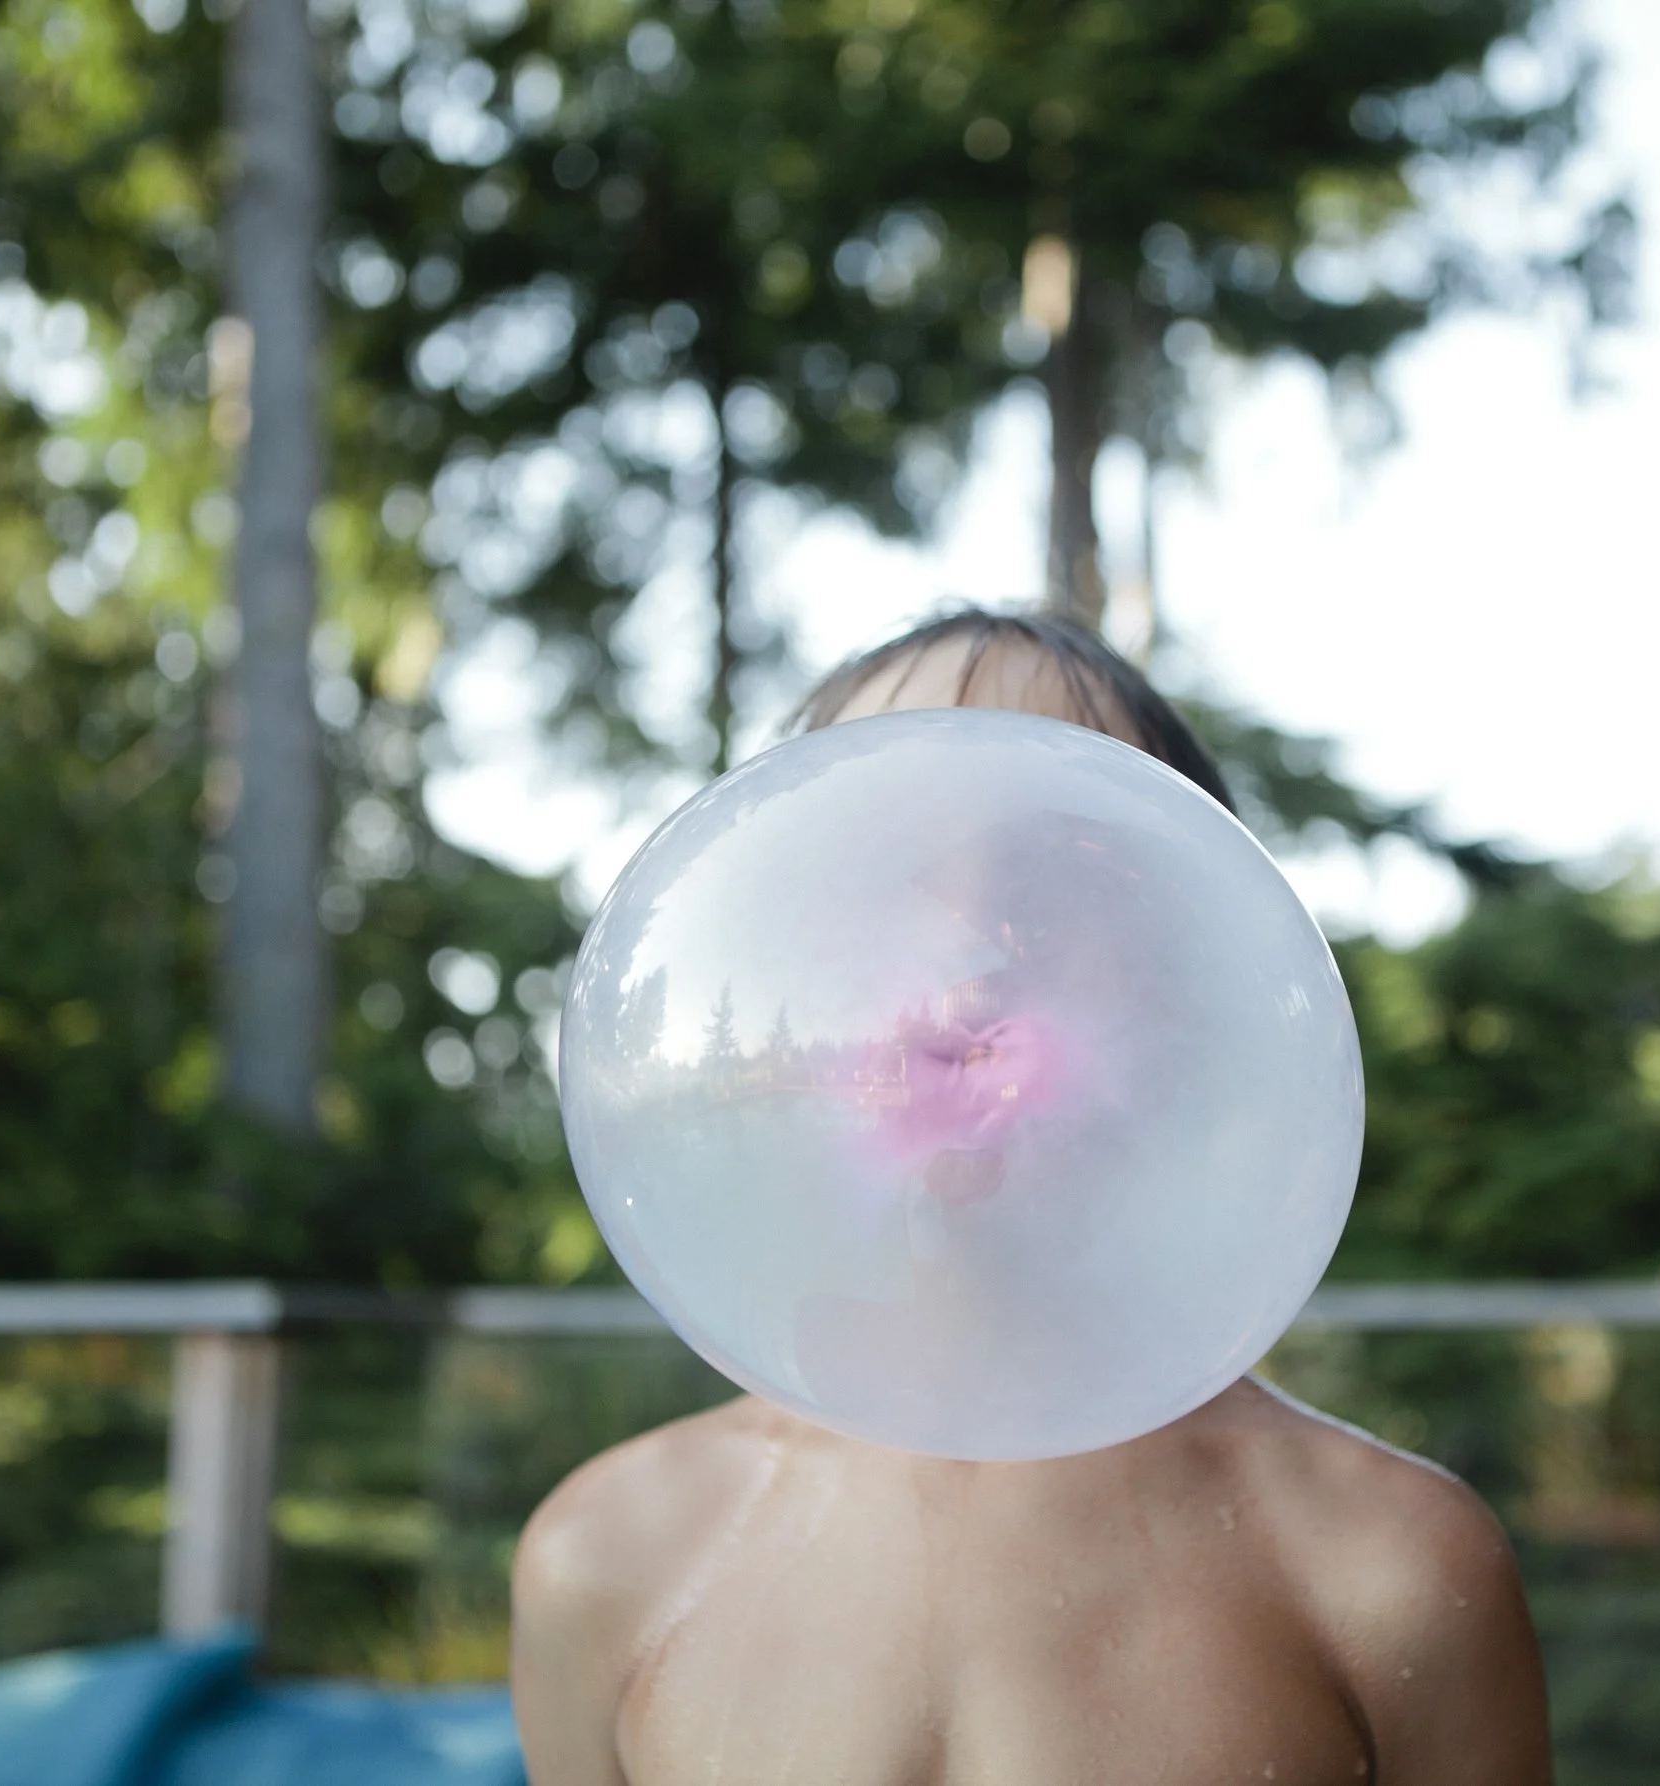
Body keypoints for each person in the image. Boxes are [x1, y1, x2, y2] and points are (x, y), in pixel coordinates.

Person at [511, 610, 1552, 1786]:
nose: (966, 965)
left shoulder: (1396, 1577)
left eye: (1053, 869)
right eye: (882, 866)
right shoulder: (609, 1561)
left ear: (1196, 954)